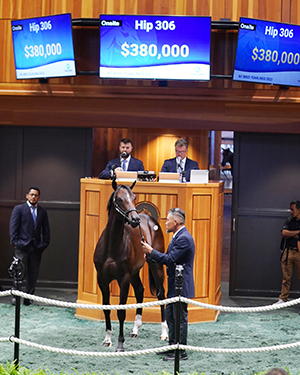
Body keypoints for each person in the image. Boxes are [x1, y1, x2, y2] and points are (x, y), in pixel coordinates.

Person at [141, 207, 195, 361]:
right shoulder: (179, 236)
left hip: (181, 287)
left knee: (179, 319)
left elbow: (169, 259)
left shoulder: (184, 238)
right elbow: (168, 258)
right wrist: (151, 256)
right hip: (174, 285)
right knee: (171, 317)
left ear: (175, 222)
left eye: (167, 220)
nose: (165, 223)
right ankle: (172, 347)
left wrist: (151, 251)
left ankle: (181, 352)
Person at [9, 187, 50, 305]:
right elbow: (13, 227)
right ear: (27, 196)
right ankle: (16, 297)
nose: (33, 197)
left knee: (33, 273)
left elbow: (46, 229)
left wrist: (45, 244)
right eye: (31, 195)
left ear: (39, 197)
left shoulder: (42, 211)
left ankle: (29, 297)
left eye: (36, 195)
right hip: (22, 246)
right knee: (19, 272)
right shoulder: (19, 209)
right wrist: (15, 243)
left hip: (36, 247)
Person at [275, 200, 300, 304]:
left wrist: (291, 234)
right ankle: (283, 298)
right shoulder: (290, 220)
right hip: (288, 251)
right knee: (286, 277)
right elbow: (284, 233)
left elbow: (287, 234)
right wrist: (298, 232)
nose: (291, 212)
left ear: (299, 210)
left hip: (299, 252)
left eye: (293, 209)